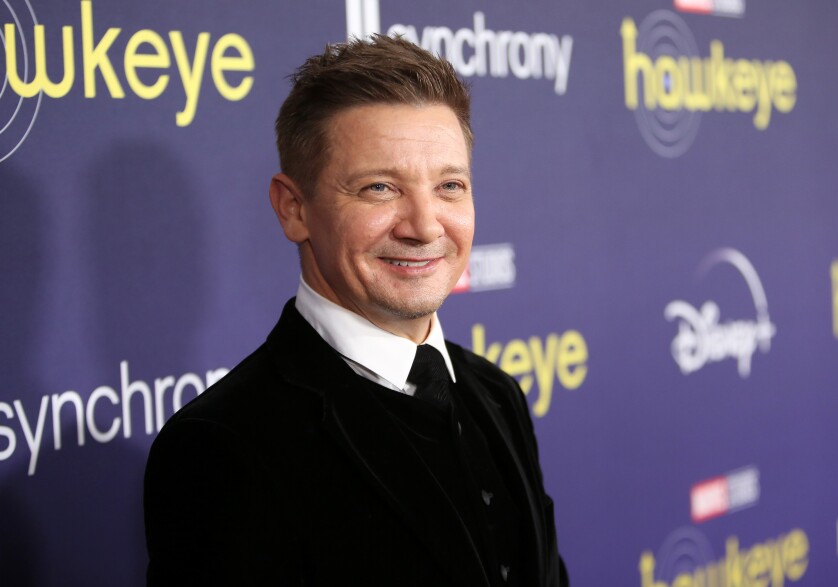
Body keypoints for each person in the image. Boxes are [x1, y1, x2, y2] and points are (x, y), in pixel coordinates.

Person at [144, 34, 567, 587]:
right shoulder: (222, 447)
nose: (424, 226)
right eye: (379, 188)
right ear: (294, 209)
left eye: (450, 185)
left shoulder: (496, 394)